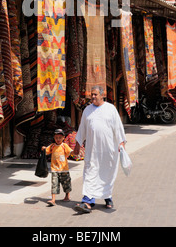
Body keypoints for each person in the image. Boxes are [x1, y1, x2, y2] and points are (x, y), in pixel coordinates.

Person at [73, 85, 126, 213]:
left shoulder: (111, 109)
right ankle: (87, 200)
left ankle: (107, 197)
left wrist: (122, 143)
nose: (93, 97)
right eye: (91, 94)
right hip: (92, 150)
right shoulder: (87, 110)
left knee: (106, 174)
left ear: (102, 95)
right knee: (90, 172)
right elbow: (82, 129)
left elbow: (118, 127)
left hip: (109, 150)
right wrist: (77, 145)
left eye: (95, 94)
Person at [41, 128, 73, 206]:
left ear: (63, 138)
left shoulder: (64, 146)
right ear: (54, 138)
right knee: (54, 184)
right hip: (54, 169)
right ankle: (53, 199)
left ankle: (67, 196)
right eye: (56, 138)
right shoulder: (52, 146)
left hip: (64, 169)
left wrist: (75, 153)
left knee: (66, 184)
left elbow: (70, 151)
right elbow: (46, 151)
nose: (58, 139)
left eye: (60, 138)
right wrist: (43, 149)